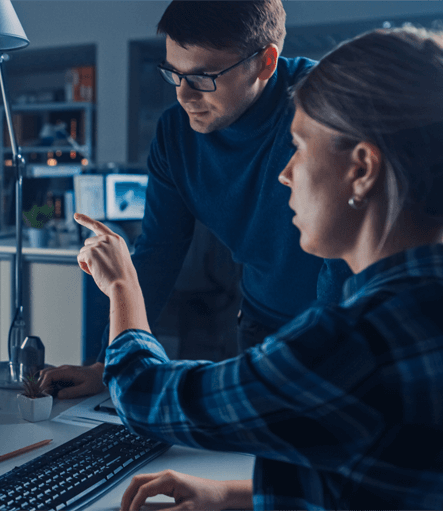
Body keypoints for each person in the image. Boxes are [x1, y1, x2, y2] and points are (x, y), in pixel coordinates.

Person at [75, 26, 443, 510]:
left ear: (361, 168)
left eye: (299, 146)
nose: (285, 171)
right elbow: (383, 477)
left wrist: (122, 282)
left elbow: (145, 397)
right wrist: (234, 496)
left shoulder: (351, 345)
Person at [40, 0, 351, 398]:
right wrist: (107, 363)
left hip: (339, 323)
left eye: (204, 77)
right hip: (260, 322)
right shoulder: (175, 135)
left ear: (265, 63)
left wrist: (328, 355)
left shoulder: (325, 108)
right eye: (174, 74)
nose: (184, 96)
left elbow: (343, 259)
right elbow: (158, 251)